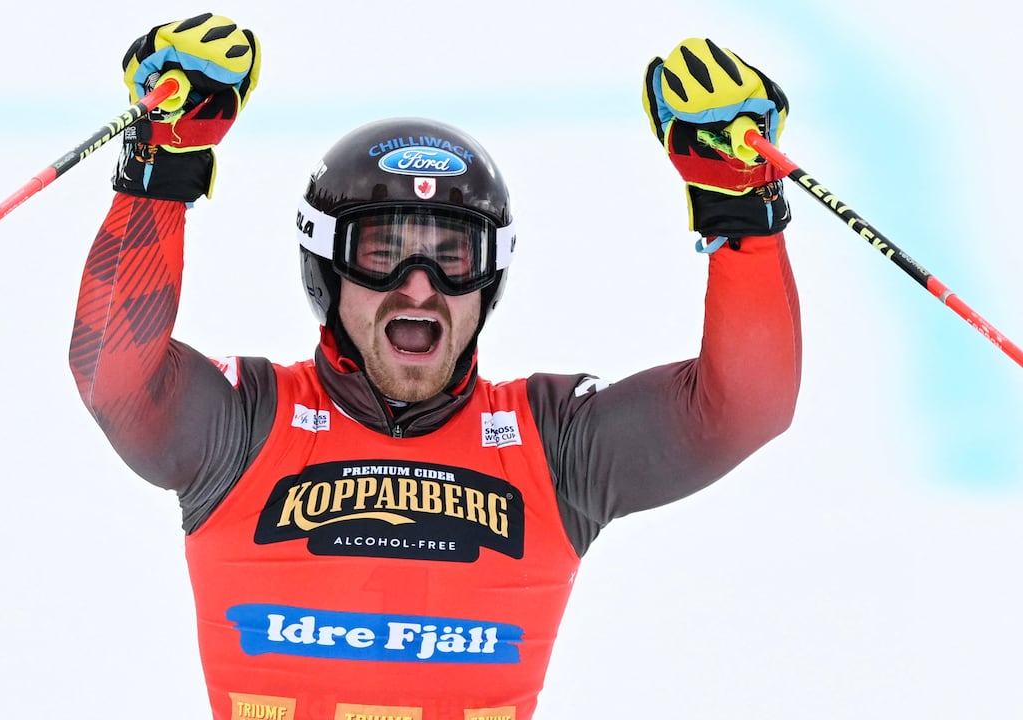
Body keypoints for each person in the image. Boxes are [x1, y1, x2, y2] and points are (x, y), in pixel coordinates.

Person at [69, 14, 801, 720]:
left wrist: (741, 215)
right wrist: (159, 173)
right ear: (327, 269)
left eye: (454, 257)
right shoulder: (246, 422)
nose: (419, 287)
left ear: (490, 280)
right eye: (382, 253)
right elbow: (112, 375)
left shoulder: (555, 444)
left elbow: (747, 408)